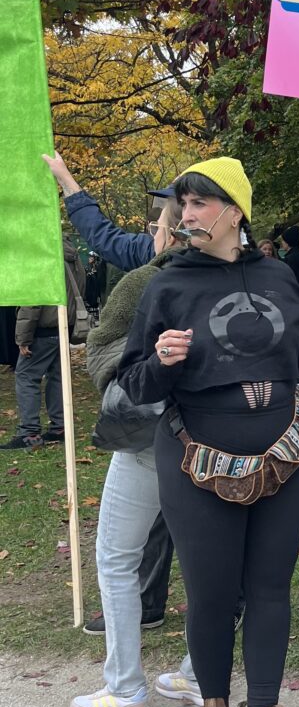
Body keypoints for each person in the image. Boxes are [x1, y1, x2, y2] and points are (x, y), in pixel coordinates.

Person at [117, 156, 299, 707]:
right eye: (181, 204)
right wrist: (163, 361)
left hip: (283, 454)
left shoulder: (279, 275)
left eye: (198, 203)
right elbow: (134, 382)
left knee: (271, 590)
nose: (185, 214)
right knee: (212, 594)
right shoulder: (166, 285)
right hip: (196, 457)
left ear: (234, 213)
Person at [69, 198, 199, 707]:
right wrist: (150, 366)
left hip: (203, 442)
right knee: (141, 558)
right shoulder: (144, 280)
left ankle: (133, 688)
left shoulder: (245, 281)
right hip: (156, 437)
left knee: (131, 558)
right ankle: (168, 678)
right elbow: (101, 351)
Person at [43, 152, 177, 632]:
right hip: (155, 416)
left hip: (208, 417)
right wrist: (65, 178)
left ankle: (230, 604)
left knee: (217, 516)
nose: (159, 224)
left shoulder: (233, 269)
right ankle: (147, 602)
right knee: (157, 513)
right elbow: (102, 234)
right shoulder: (146, 260)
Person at [1, 239, 85, 450]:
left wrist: (23, 337)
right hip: (64, 326)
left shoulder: (42, 255)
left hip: (43, 329)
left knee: (26, 376)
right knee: (57, 377)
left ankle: (29, 432)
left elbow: (33, 299)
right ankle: (60, 427)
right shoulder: (72, 255)